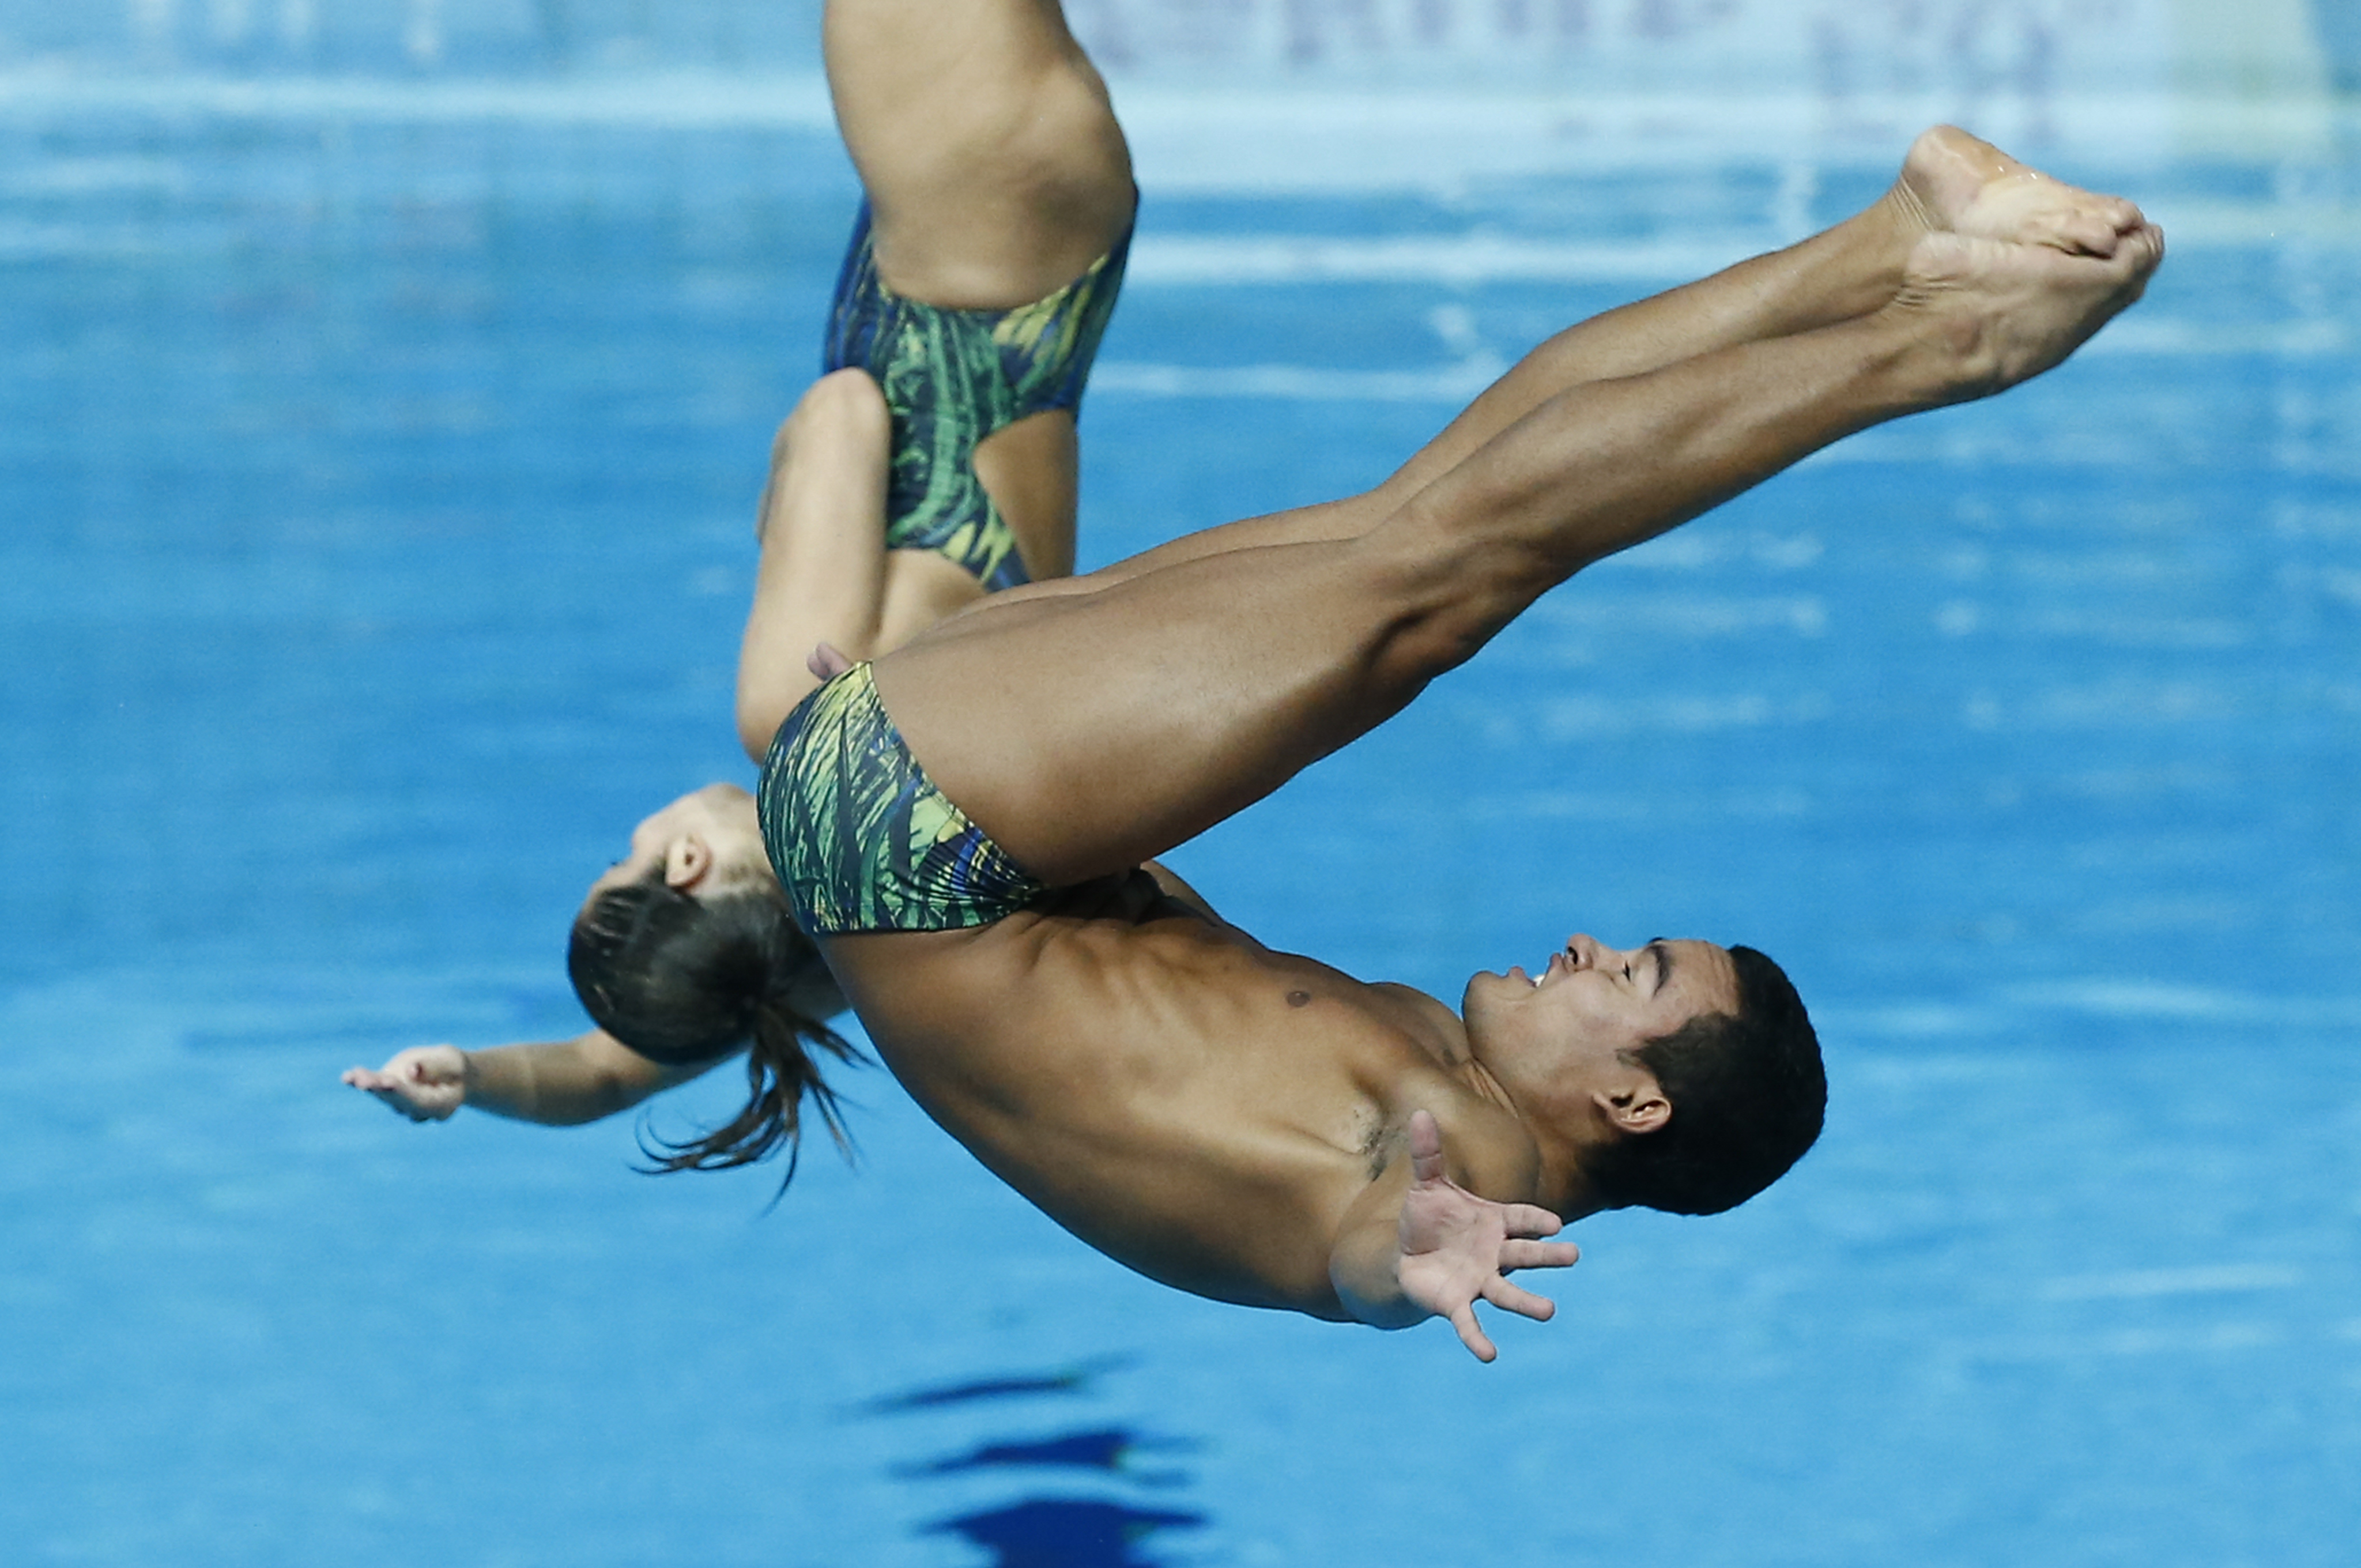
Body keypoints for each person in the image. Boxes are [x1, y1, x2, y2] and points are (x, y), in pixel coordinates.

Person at [739, 101, 2156, 1352]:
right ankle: (1899, 237)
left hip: (919, 845)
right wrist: (1000, 714)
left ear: (1631, 1101)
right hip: (922, 826)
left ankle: (1951, 333)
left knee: (1441, 576)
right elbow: (1110, 1001)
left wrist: (1405, 1258)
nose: (1597, 945)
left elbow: (1358, 1247)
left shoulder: (1473, 1158)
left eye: (1641, 974)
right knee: (1420, 513)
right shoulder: (1435, 1052)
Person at [342, 0, 1137, 1162]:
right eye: (624, 854)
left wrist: (478, 1077)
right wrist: (780, 500)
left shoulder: (886, 917)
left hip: (1038, 243)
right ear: (686, 864)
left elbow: (630, 1060)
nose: (636, 826)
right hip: (963, 221)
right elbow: (842, 414)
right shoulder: (789, 720)